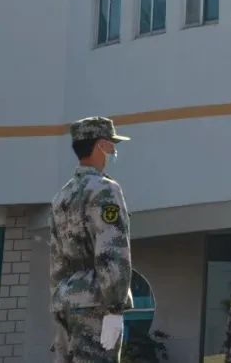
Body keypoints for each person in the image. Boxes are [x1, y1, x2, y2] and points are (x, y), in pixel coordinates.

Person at [49, 116, 133, 362]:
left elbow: (57, 260)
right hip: (97, 303)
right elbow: (112, 251)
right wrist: (115, 307)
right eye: (111, 144)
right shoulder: (105, 189)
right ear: (100, 145)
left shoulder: (62, 196)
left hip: (65, 300)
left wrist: (58, 301)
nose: (114, 150)